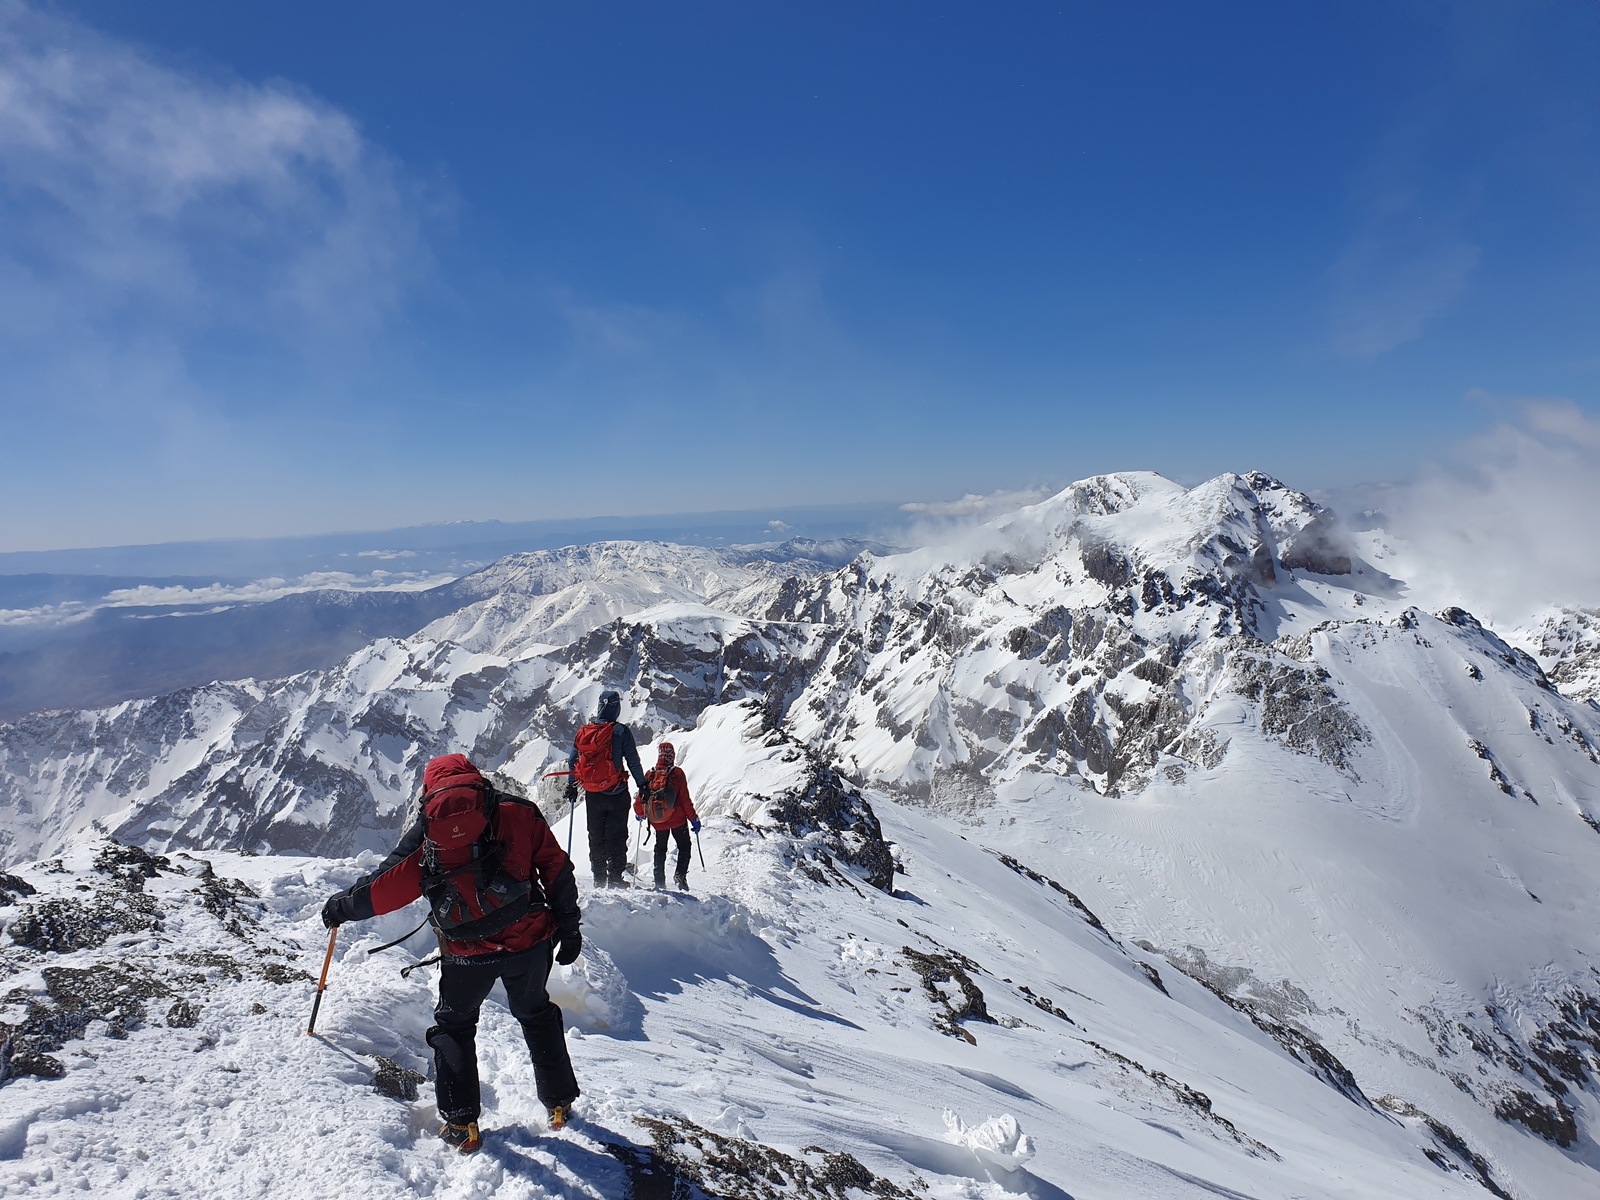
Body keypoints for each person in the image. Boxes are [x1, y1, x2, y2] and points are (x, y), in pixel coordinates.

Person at [321, 753, 583, 1154]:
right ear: (477, 781)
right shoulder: (518, 812)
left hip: (465, 953)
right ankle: (559, 1103)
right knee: (536, 1014)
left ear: (430, 793)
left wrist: (339, 907)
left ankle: (462, 1124)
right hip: (529, 942)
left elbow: (385, 887)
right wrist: (569, 926)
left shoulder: (429, 832)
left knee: (455, 1027)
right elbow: (555, 868)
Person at [567, 690, 647, 889]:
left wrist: (571, 785)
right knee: (617, 835)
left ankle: (598, 877)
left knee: (595, 834)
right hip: (617, 792)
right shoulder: (620, 731)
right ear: (616, 708)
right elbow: (633, 761)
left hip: (593, 794)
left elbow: (572, 761)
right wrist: (642, 784)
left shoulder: (584, 732)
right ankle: (616, 878)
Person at [632, 741, 701, 891]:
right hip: (677, 820)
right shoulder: (677, 773)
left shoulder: (650, 774)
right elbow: (685, 800)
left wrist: (640, 813)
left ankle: (659, 881)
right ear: (672, 755)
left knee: (660, 848)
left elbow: (641, 797)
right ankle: (680, 875)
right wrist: (693, 819)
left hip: (658, 820)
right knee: (684, 846)